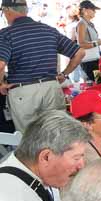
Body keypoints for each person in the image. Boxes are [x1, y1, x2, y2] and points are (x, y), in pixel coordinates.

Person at [0, 0, 85, 132]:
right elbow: (79, 52)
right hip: (51, 88)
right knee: (56, 135)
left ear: (7, 10)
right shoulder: (49, 30)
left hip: (24, 91)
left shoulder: (6, 34)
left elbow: (0, 64)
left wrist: (1, 84)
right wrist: (64, 74)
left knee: (29, 138)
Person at [76, 0, 101, 81]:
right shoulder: (82, 24)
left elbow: (92, 42)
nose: (95, 12)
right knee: (99, 83)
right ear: (84, 10)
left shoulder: (89, 24)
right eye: (93, 9)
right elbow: (81, 44)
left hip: (94, 58)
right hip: (88, 60)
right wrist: (100, 42)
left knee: (100, 83)